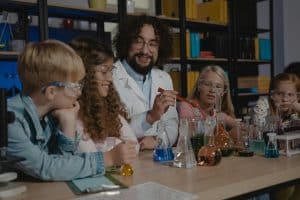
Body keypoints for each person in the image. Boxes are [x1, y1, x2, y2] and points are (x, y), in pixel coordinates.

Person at [7, 40, 136, 181]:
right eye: (74, 87)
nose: (79, 93)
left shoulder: (51, 116)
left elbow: (65, 166)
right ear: (51, 92)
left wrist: (68, 124)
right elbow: (46, 167)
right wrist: (107, 159)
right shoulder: (11, 120)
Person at [112, 14, 178, 150]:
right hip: (123, 162)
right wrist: (150, 116)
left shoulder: (164, 78)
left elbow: (172, 124)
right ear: (126, 43)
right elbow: (109, 132)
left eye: (153, 44)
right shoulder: (109, 77)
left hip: (155, 162)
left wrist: (158, 140)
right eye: (138, 41)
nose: (145, 50)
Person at [69, 37, 139, 154]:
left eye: (111, 70)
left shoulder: (107, 107)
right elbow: (89, 156)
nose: (110, 78)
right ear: (84, 73)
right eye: (104, 71)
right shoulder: (73, 111)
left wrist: (108, 148)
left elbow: (134, 146)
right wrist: (115, 146)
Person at [178, 65, 236, 130]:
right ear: (199, 86)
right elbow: (190, 135)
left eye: (218, 87)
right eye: (207, 84)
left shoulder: (219, 113)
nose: (212, 90)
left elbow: (242, 127)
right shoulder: (186, 106)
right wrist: (228, 135)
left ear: (223, 92)